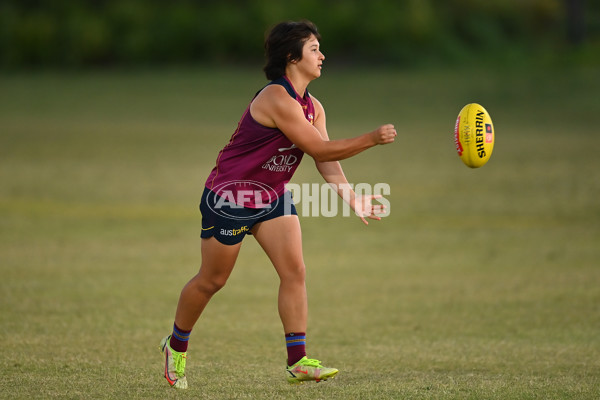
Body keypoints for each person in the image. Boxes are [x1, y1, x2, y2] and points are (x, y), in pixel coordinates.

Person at [159, 20, 397, 389]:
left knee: (295, 271)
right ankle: (176, 346)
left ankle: (298, 361)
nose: (322, 55)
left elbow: (324, 159)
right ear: (291, 56)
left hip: (271, 196)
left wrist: (351, 197)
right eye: (314, 48)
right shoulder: (275, 98)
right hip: (231, 197)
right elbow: (318, 147)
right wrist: (371, 138)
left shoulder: (312, 105)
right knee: (213, 280)